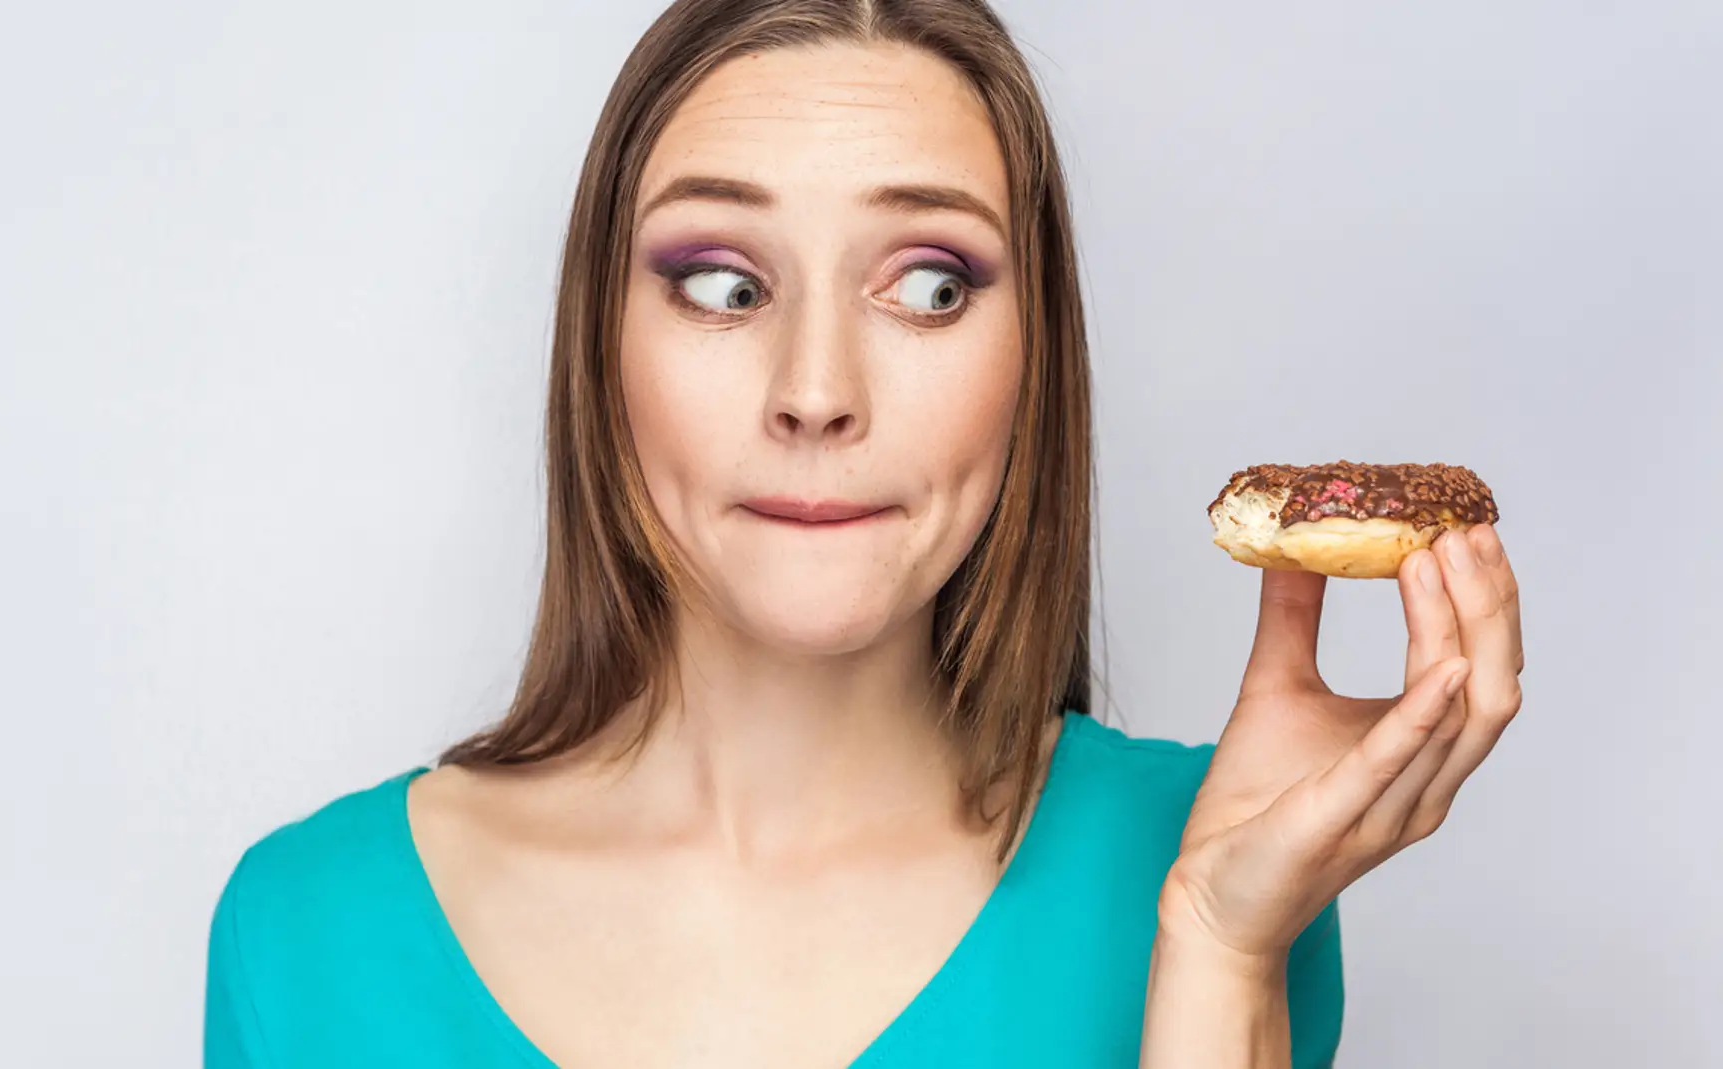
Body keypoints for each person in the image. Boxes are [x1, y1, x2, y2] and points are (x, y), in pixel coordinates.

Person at [203, 1, 1524, 1065]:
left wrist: (1223, 953)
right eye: (721, 286)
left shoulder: (1228, 860)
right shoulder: (307, 928)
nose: (817, 392)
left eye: (931, 287)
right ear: (601, 351)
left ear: (1033, 359)